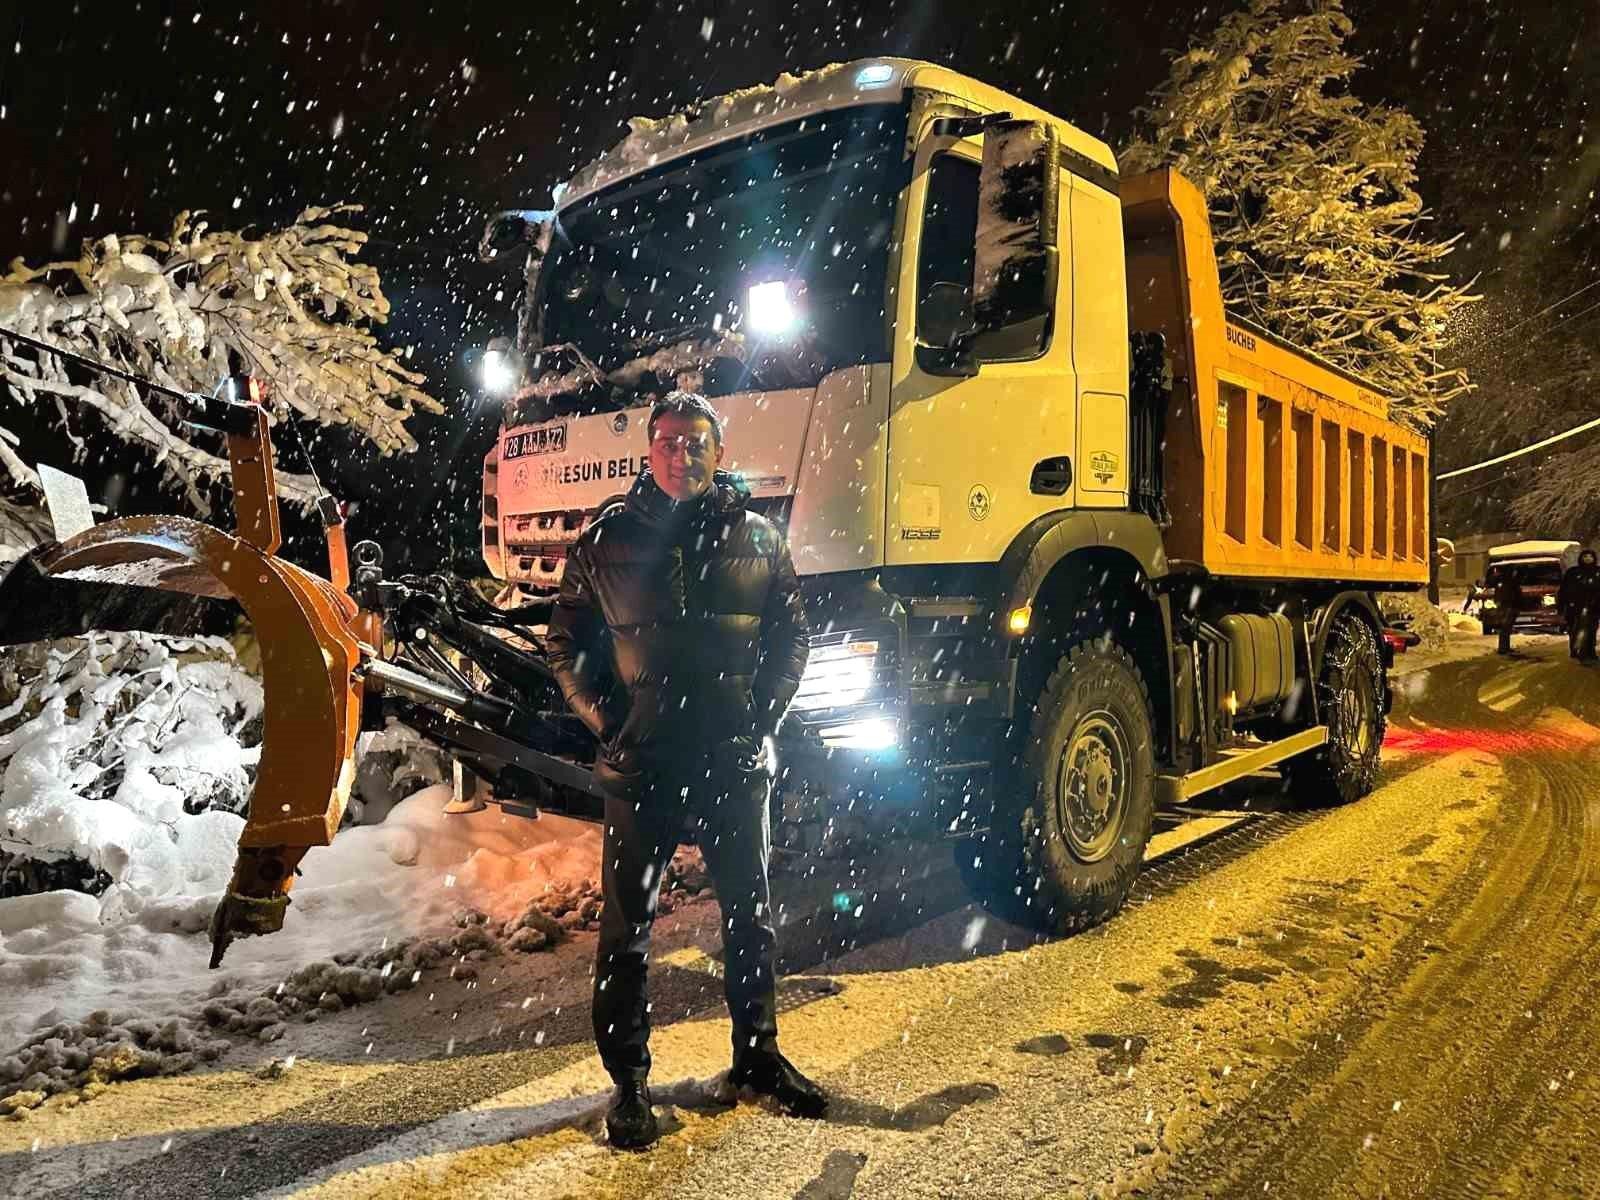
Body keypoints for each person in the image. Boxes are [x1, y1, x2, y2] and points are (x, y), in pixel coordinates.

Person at [545, 391, 826, 1150]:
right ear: (649, 452)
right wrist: (613, 723)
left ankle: (758, 1058)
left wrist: (758, 721)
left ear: (719, 453)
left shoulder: (760, 539)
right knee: (627, 931)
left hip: (731, 763)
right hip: (644, 768)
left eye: (697, 442)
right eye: (669, 442)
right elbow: (564, 646)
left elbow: (791, 638)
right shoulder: (605, 541)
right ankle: (630, 1085)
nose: (683, 454)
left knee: (750, 915)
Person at [1557, 548, 1600, 661]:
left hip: (1593, 607)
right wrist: (1562, 606)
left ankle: (1590, 651)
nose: (1588, 559)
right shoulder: (1573, 572)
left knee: (1591, 630)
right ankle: (1577, 650)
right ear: (1581, 558)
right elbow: (1564, 590)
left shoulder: (1597, 572)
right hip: (1575, 607)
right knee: (1576, 629)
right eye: (1585, 557)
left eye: (1590, 557)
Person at [1491, 566, 1521, 656]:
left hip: (1506, 606)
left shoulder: (1504, 581)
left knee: (1506, 628)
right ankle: (1503, 648)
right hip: (1508, 606)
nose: (1515, 573)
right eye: (1514, 571)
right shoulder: (1509, 582)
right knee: (1505, 628)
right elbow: (1514, 594)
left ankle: (1505, 647)